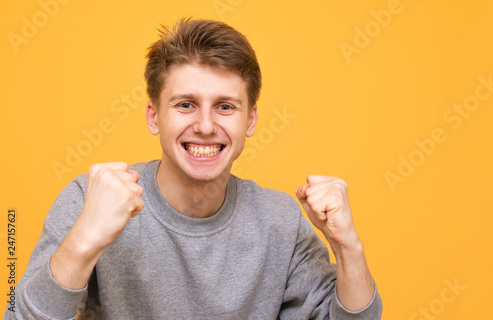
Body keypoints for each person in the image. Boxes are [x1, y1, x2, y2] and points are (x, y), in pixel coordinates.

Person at [4, 18, 382, 319]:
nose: (204, 125)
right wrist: (86, 237)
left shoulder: (280, 221)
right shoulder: (90, 198)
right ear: (154, 116)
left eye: (225, 106)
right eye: (185, 104)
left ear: (250, 121)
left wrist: (348, 246)